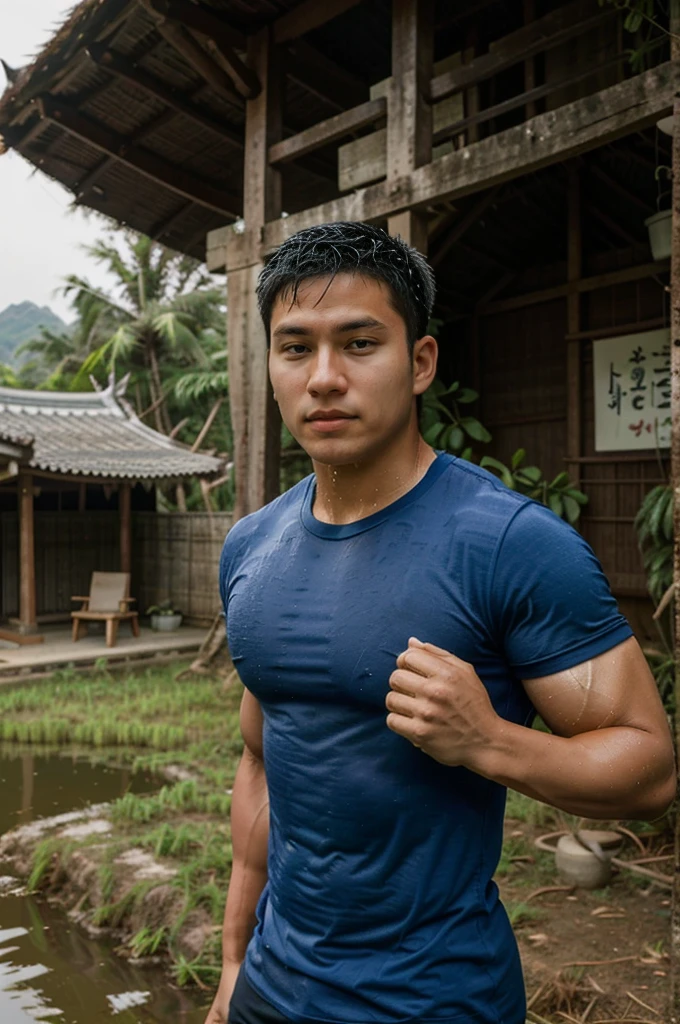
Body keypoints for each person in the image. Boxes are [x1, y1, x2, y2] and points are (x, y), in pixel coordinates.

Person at [205, 221, 676, 1024]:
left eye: (359, 344)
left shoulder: (510, 544)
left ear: (419, 362)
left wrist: (488, 741)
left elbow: (653, 769)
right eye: (295, 348)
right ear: (271, 367)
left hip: (432, 998)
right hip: (270, 991)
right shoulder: (252, 545)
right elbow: (261, 760)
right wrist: (231, 965)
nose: (324, 378)